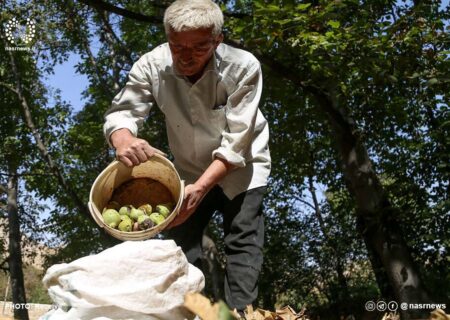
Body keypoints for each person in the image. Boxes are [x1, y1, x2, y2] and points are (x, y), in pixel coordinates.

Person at [103, 0, 271, 313]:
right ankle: (194, 312)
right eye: (177, 46)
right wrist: (123, 138)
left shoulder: (243, 66)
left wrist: (203, 188)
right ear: (168, 38)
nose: (186, 56)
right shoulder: (152, 65)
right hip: (189, 170)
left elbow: (237, 145)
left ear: (218, 40)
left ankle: (240, 314)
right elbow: (124, 110)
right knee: (178, 243)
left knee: (242, 238)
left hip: (244, 166)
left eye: (198, 47)